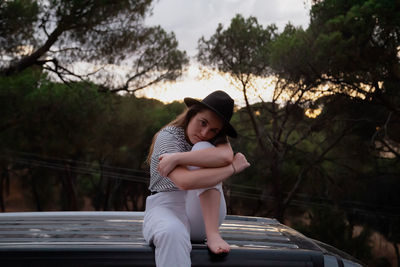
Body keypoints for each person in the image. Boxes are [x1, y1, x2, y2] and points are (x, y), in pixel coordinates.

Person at [143, 90, 250, 267]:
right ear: (192, 113)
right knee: (171, 232)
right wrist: (232, 168)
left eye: (214, 130)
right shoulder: (168, 136)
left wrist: (178, 157)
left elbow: (225, 156)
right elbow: (184, 182)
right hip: (166, 207)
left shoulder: (212, 140)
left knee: (201, 147)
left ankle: (213, 234)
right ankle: (209, 234)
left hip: (206, 215)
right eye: (203, 123)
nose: (205, 132)